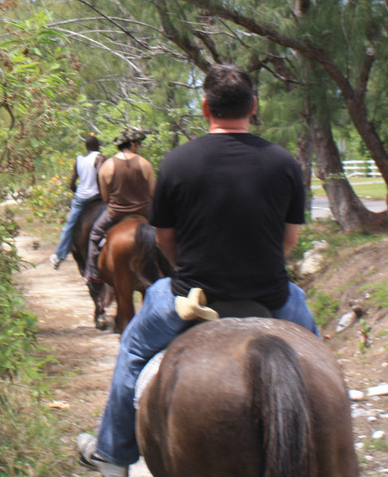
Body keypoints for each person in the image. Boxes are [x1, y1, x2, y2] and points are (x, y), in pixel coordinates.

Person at [76, 64, 319, 477]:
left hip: (192, 299)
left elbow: (166, 241)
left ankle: (113, 455)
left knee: (133, 349)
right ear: (253, 107)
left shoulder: (177, 162)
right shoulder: (284, 164)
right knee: (319, 359)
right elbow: (288, 241)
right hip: (273, 296)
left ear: (205, 107)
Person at [84, 129, 154, 285]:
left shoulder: (107, 166)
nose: (139, 146)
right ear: (133, 143)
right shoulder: (145, 164)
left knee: (95, 234)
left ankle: (92, 273)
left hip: (116, 214)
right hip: (145, 212)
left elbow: (105, 198)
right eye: (138, 143)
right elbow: (152, 193)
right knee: (167, 233)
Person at [50, 135, 103, 269]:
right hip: (97, 196)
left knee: (70, 225)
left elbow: (72, 184)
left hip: (81, 197)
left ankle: (59, 255)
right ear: (97, 146)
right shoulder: (99, 157)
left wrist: (78, 193)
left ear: (86, 147)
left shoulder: (79, 160)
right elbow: (101, 178)